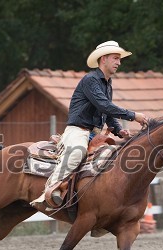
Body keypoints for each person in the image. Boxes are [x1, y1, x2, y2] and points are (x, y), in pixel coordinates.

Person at [31, 40, 148, 207]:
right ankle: (49, 192)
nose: (119, 62)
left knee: (113, 160)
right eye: (115, 58)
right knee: (76, 154)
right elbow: (104, 105)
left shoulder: (108, 84)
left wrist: (119, 130)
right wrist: (133, 115)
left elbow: (106, 111)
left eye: (119, 59)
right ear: (104, 59)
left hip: (95, 135)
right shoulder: (90, 80)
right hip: (78, 131)